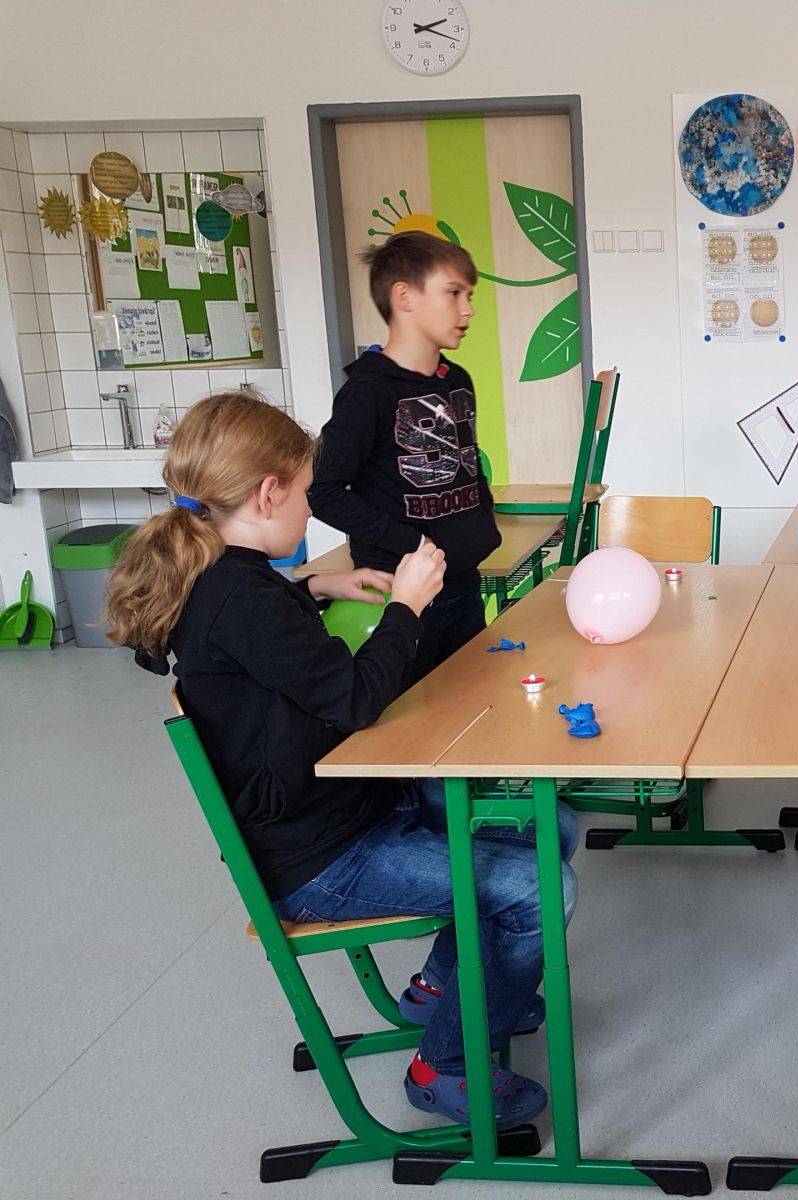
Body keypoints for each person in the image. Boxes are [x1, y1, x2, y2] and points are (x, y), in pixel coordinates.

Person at [106, 391, 576, 1127]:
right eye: (304, 493)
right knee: (539, 886)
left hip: (337, 803)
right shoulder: (239, 598)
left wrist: (318, 585)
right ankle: (447, 1066)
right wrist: (408, 606)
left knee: (554, 826)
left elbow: (258, 629)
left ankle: (444, 988)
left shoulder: (226, 574)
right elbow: (355, 699)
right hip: (318, 858)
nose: (311, 509)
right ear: (268, 493)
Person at [309, 231, 502, 685]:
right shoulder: (366, 393)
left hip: (461, 584)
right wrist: (412, 543)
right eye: (453, 293)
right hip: (403, 596)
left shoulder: (457, 380)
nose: (468, 309)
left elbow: (467, 463)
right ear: (404, 298)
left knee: (470, 700)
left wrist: (482, 523)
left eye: (469, 296)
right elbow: (323, 492)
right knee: (411, 715)